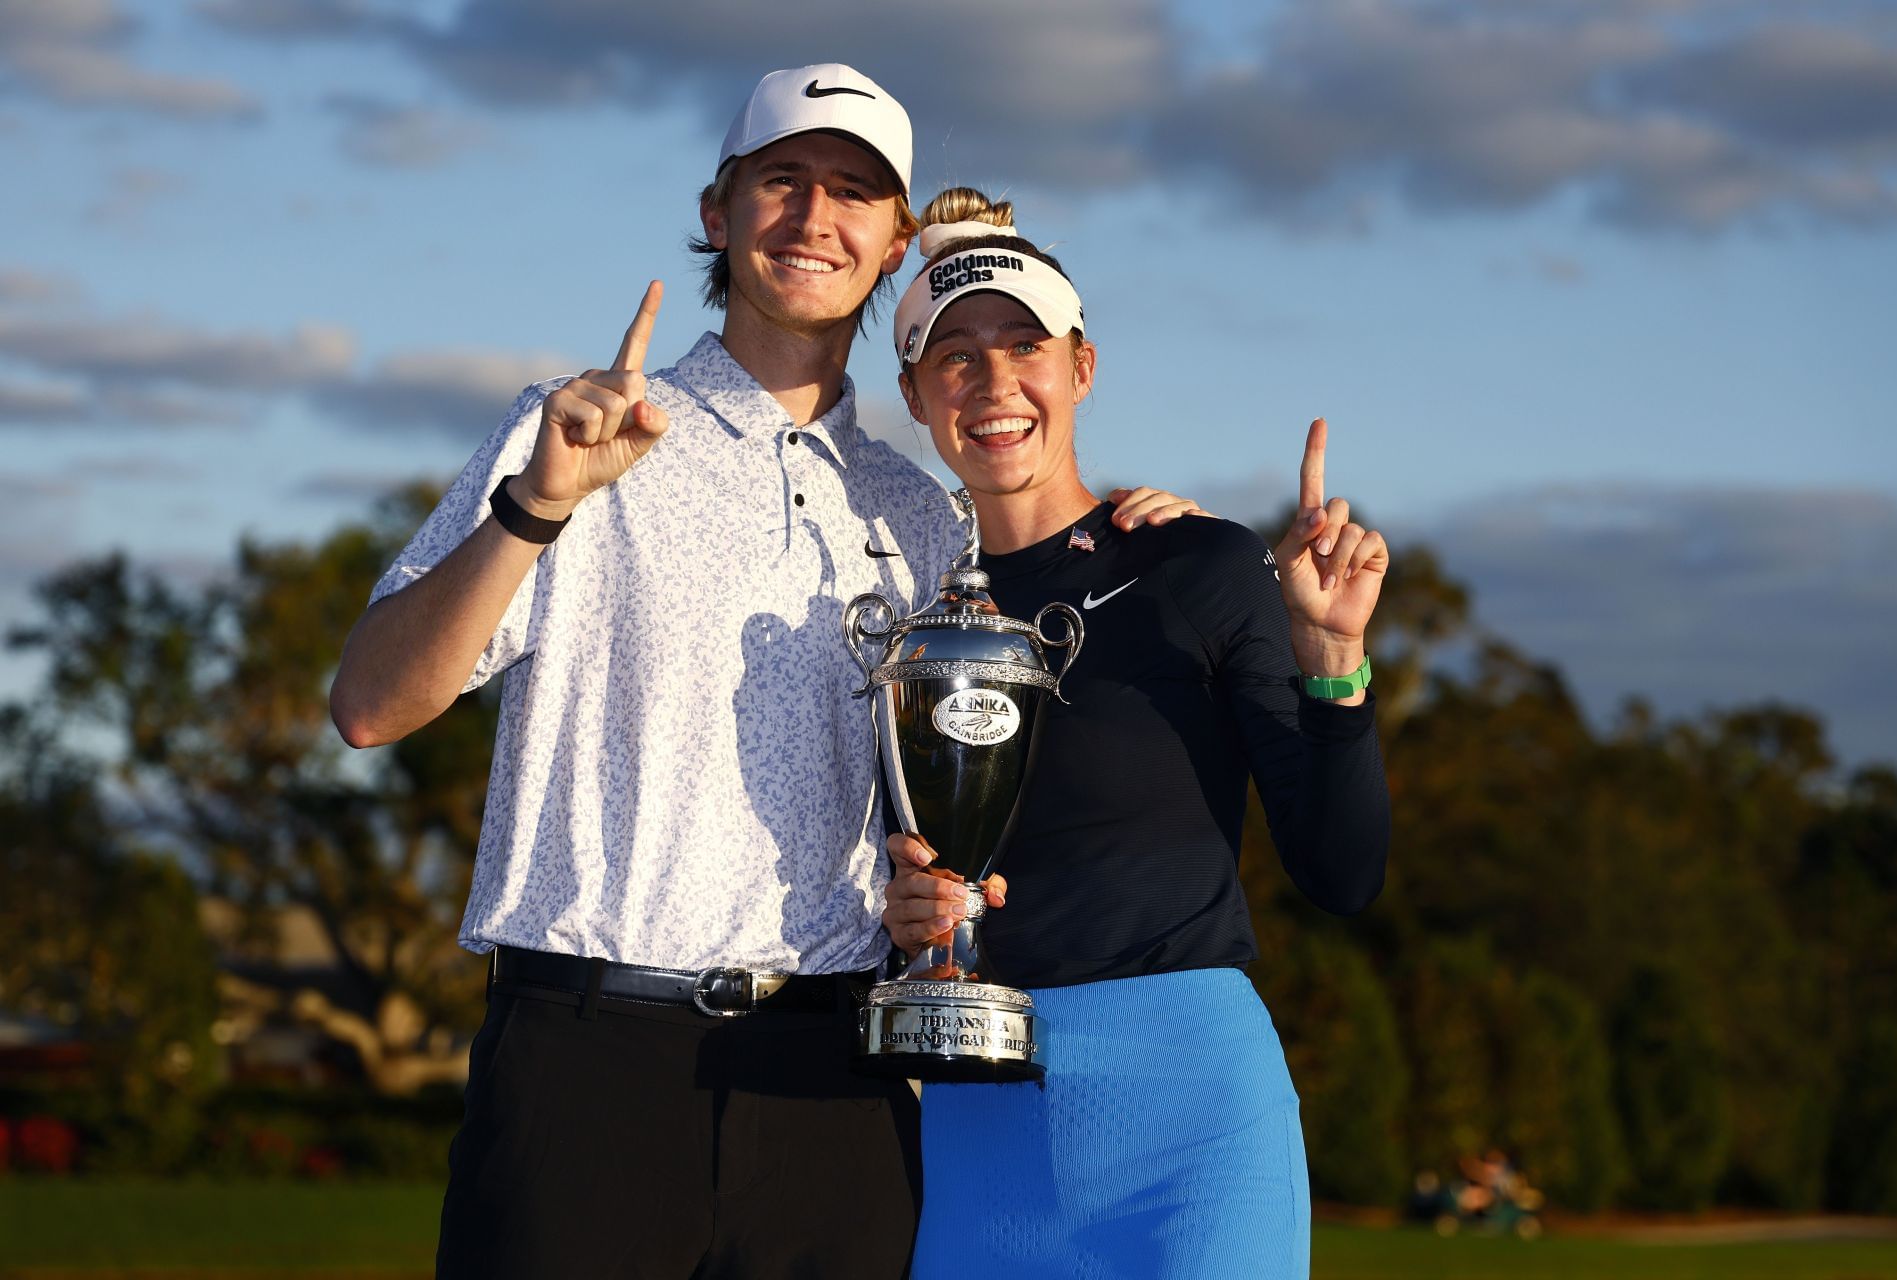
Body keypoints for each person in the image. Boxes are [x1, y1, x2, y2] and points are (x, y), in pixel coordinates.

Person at [328, 68, 1199, 1279]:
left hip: (836, 1086)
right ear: (716, 210)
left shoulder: (923, 514)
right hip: (589, 1065)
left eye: (853, 190)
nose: (813, 215)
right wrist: (535, 508)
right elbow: (370, 704)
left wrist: (1170, 539)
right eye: (781, 179)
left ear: (896, 242)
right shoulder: (575, 429)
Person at [879, 189, 1393, 1279]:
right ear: (916, 394)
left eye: (1025, 346)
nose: (995, 382)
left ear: (1083, 366)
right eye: (955, 357)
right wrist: (903, 911)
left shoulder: (1194, 565)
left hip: (1195, 1120)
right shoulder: (905, 620)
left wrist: (1330, 655)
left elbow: (1343, 872)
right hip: (982, 1134)